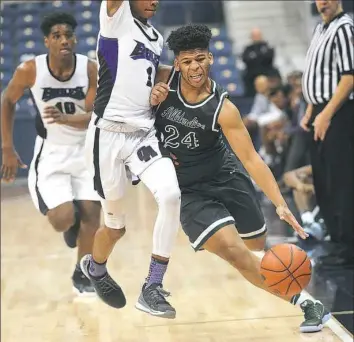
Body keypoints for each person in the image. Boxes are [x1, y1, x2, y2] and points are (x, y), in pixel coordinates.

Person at [151, 24, 331, 333]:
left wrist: (280, 204)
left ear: (210, 58)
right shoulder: (159, 82)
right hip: (189, 190)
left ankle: (291, 280)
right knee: (235, 252)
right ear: (177, 63)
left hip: (227, 177)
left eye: (200, 59)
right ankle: (306, 304)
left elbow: (251, 159)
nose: (194, 67)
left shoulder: (223, 108)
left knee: (257, 247)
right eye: (186, 61)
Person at [79, 0, 181, 318]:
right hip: (107, 135)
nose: (154, 2)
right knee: (115, 228)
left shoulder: (156, 37)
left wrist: (168, 80)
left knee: (171, 195)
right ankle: (95, 269)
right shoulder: (116, 19)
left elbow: (148, 75)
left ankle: (152, 287)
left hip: (143, 134)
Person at [1, 12, 101, 295]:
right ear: (47, 41)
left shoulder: (89, 68)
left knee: (94, 214)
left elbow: (94, 115)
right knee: (62, 219)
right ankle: (72, 224)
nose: (64, 40)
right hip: (52, 154)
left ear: (75, 39)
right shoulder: (30, 70)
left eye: (68, 35)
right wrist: (7, 148)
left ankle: (82, 274)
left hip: (85, 151)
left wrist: (67, 118)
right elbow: (7, 101)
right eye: (57, 36)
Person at [300, 0, 354, 268]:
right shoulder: (320, 28)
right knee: (324, 181)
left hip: (339, 112)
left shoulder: (344, 28)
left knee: (341, 181)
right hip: (320, 110)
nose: (323, 2)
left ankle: (349, 248)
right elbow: (318, 75)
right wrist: (311, 109)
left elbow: (349, 77)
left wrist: (326, 113)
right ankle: (337, 242)